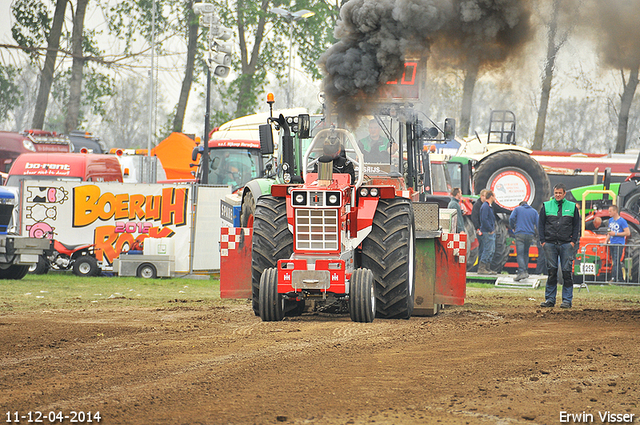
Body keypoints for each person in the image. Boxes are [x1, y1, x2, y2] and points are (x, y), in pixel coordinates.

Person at [538, 183, 581, 309]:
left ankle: (567, 300)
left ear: (564, 193)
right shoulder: (546, 206)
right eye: (556, 193)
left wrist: (573, 241)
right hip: (550, 243)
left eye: (560, 193)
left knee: (567, 272)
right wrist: (543, 241)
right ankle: (550, 299)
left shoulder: (572, 207)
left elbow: (576, 226)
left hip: (566, 244)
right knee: (552, 272)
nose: (557, 195)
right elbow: (541, 225)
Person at [509, 201, 539, 281]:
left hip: (520, 234)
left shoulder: (517, 209)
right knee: (526, 253)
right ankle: (525, 271)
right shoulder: (534, 211)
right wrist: (538, 234)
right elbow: (538, 223)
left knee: (520, 254)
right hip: (530, 235)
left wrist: (513, 227)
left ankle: (521, 272)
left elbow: (511, 218)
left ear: (520, 204)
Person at [605, 205, 630, 282]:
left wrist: (615, 234)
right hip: (612, 242)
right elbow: (609, 232)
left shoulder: (622, 221)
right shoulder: (610, 220)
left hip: (619, 243)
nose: (609, 213)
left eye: (610, 211)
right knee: (615, 261)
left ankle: (614, 277)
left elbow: (627, 232)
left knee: (616, 260)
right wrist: (606, 240)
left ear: (615, 211)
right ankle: (620, 279)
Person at [478, 190, 497, 275]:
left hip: (490, 231)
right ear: (491, 196)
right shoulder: (485, 207)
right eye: (494, 196)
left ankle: (487, 268)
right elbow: (484, 219)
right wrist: (490, 229)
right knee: (487, 249)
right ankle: (482, 268)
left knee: (491, 250)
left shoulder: (489, 206)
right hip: (487, 232)